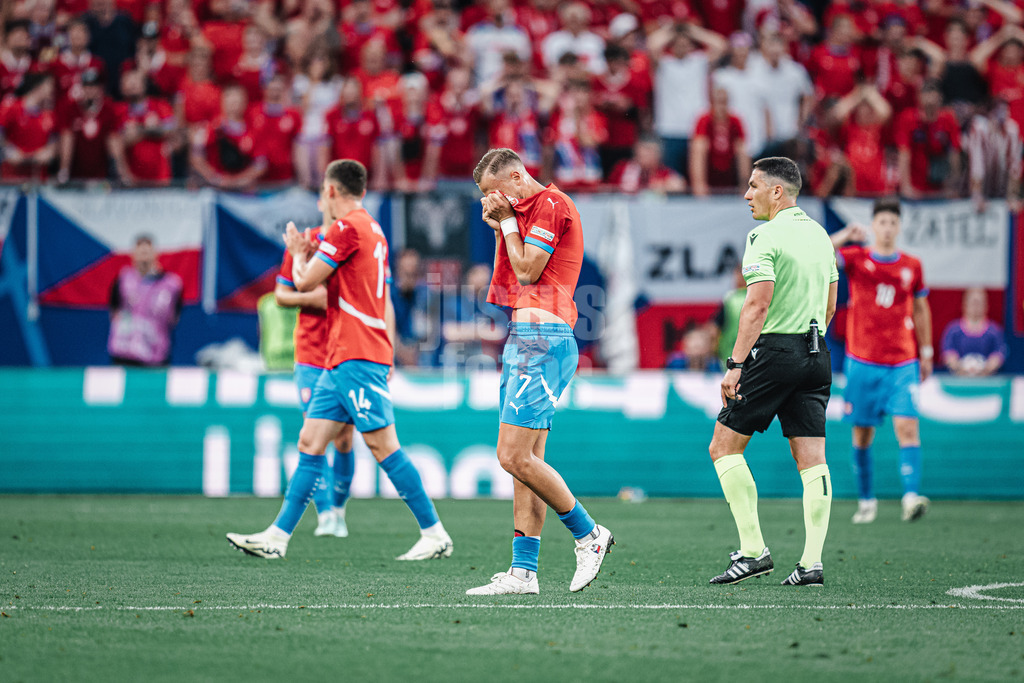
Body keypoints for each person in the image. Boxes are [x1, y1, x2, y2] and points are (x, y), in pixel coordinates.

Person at [226, 159, 452, 561]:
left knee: (383, 447)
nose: (321, 202)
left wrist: (298, 253)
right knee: (310, 441)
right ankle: (277, 537)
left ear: (331, 191)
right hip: (342, 355)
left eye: (321, 194)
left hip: (357, 353)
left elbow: (304, 282)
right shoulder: (374, 228)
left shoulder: (347, 227)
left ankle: (434, 532)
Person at [466, 148, 613, 596]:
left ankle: (590, 535)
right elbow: (511, 281)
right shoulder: (526, 212)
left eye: (495, 193)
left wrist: (508, 223)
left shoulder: (551, 203)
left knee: (511, 455)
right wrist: (503, 225)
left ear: (515, 176)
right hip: (526, 336)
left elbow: (529, 271)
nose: (493, 202)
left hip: (543, 340)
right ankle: (523, 572)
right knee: (526, 464)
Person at [708, 156, 837, 587]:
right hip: (817, 352)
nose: (747, 195)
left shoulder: (763, 235)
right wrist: (807, 345)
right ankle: (811, 563)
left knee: (723, 447)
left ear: (776, 191)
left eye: (753, 186)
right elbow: (831, 304)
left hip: (775, 351)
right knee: (813, 459)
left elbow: (757, 304)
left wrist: (736, 365)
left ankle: (752, 551)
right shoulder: (820, 235)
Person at [829, 198, 934, 525]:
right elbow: (817, 253)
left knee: (908, 425)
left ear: (898, 226)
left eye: (892, 222)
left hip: (902, 360)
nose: (887, 228)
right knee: (862, 435)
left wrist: (926, 350)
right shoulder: (857, 258)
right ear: (874, 226)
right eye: (882, 222)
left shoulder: (912, 265)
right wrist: (846, 234)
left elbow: (921, 309)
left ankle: (910, 497)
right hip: (862, 360)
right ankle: (866, 501)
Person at [272, 200, 357, 538]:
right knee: (314, 435)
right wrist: (313, 295)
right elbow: (281, 294)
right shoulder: (305, 241)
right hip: (310, 354)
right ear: (325, 200)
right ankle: (325, 515)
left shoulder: (356, 239)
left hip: (346, 353)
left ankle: (338, 507)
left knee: (346, 440)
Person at [108, 234, 184, 366]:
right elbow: (114, 311)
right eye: (140, 252)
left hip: (156, 355)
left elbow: (175, 317)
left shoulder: (171, 284)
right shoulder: (123, 279)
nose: (144, 256)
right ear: (133, 254)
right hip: (123, 353)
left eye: (147, 252)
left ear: (155, 254)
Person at [941, 287, 1007, 377]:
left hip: (987, 381)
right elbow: (949, 354)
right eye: (973, 303)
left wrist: (985, 368)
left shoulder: (994, 332)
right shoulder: (953, 331)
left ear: (986, 305)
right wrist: (962, 367)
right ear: (964, 304)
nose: (976, 307)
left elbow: (998, 355)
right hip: (959, 380)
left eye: (979, 303)